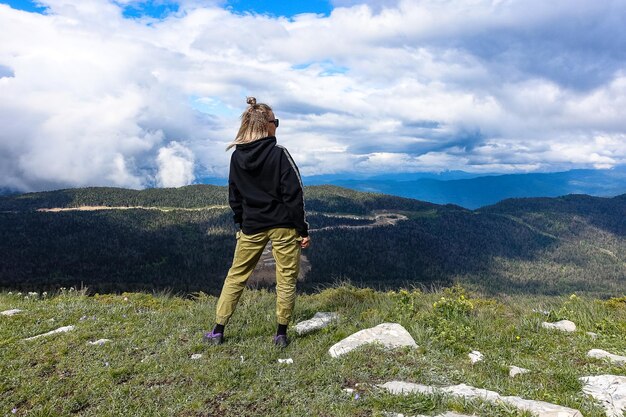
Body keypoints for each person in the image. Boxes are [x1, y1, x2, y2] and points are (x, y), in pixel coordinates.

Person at [203, 97, 311, 348]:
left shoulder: (236, 158)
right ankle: (280, 334)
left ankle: (218, 330)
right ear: (267, 125)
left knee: (236, 276)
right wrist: (302, 229)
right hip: (284, 225)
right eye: (276, 122)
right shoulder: (280, 154)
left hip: (251, 225)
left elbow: (234, 195)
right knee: (285, 278)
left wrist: (241, 221)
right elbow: (294, 195)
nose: (277, 126)